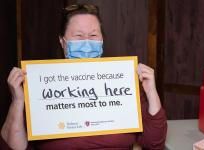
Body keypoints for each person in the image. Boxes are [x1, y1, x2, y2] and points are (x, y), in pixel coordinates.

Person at [1, 4, 167, 150]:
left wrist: (151, 91)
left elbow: (154, 143)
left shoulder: (122, 80)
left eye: (94, 35)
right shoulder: (39, 84)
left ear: (102, 40)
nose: (87, 42)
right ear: (62, 41)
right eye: (79, 36)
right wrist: (18, 101)